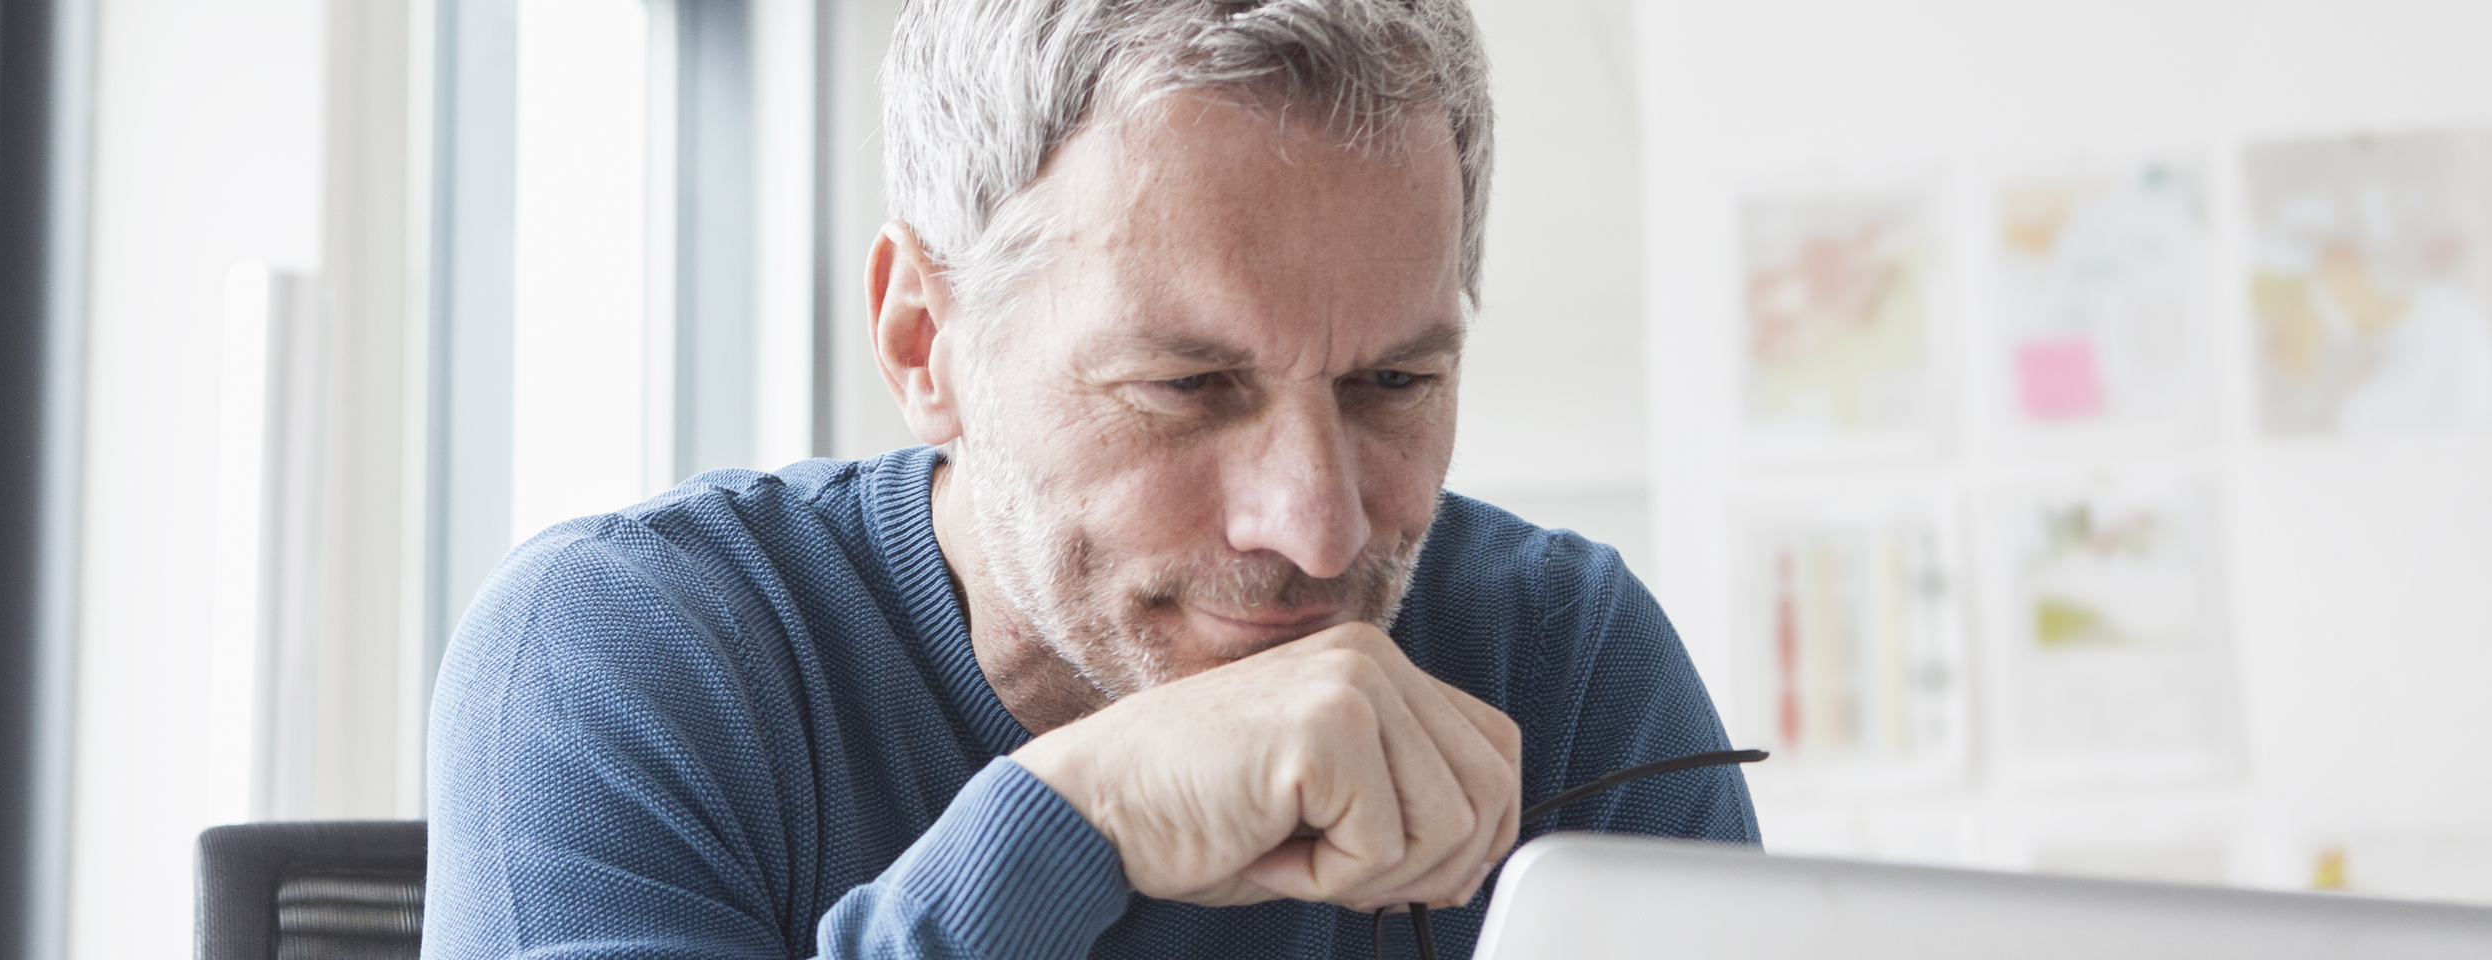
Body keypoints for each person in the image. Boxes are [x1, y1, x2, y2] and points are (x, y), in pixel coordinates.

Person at [425, 1, 1757, 957]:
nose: (1316, 524)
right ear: (923, 342)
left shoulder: (1569, 663)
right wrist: (1077, 819)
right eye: (1186, 388)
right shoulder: (622, 654)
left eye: (1392, 386)